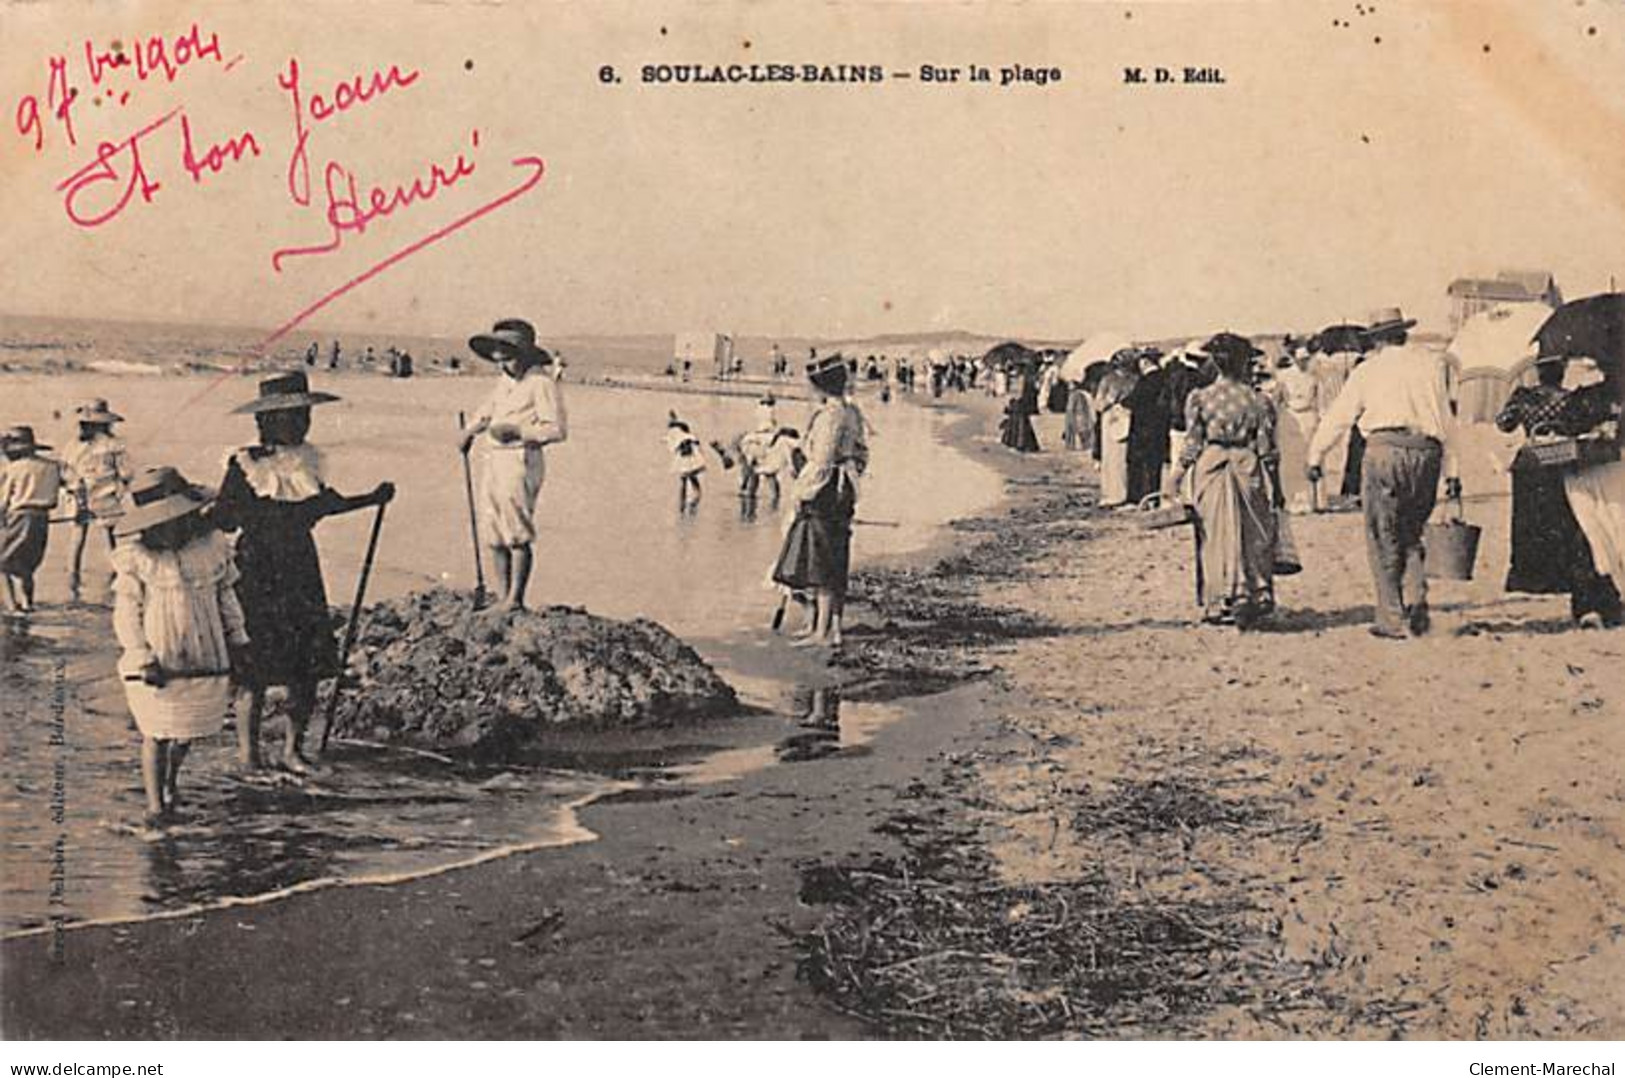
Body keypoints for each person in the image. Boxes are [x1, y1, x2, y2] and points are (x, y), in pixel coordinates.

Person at [214, 371, 395, 773]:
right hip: (256, 568)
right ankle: (249, 755)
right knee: (253, 668)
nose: (302, 422)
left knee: (304, 666)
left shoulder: (309, 461)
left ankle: (293, 751)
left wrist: (372, 498)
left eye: (304, 415)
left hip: (299, 567)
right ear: (268, 421)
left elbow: (325, 505)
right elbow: (226, 519)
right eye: (292, 416)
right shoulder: (244, 463)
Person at [1308, 308, 1461, 639]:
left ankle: (1392, 616)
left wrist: (1316, 455)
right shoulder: (1431, 365)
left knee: (1383, 534)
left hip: (1384, 451)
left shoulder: (1368, 370)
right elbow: (1446, 419)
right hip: (1426, 452)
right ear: (1403, 333)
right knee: (1412, 531)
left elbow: (1339, 416)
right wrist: (1453, 471)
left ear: (1376, 339)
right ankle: (1417, 600)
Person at [110, 467, 251, 824]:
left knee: (186, 728)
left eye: (176, 520)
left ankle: (171, 779)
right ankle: (156, 806)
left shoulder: (211, 546)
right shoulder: (137, 557)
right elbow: (127, 611)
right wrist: (141, 656)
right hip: (159, 653)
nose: (169, 530)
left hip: (205, 651)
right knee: (156, 730)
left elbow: (226, 598)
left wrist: (238, 640)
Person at [1495, 356, 1622, 627]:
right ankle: (1591, 601)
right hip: (1564, 469)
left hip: (1532, 473)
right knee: (1579, 533)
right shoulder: (1571, 400)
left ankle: (1553, 585)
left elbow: (1503, 423)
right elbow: (1584, 427)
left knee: (1541, 534)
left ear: (1537, 373)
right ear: (1561, 371)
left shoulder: (1523, 397)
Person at [1166, 334, 1280, 627]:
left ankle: (1220, 600)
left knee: (1213, 534)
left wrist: (1176, 476)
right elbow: (1267, 448)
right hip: (1247, 465)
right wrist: (1276, 486)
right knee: (1252, 529)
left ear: (1214, 362)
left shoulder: (1200, 398)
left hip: (1211, 466)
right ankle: (1254, 591)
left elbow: (1193, 442)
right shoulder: (1259, 400)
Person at [459, 320, 569, 610]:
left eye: (507, 357)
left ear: (524, 355)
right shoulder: (506, 380)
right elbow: (487, 411)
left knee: (516, 529)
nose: (502, 364)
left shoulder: (540, 383)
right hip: (494, 457)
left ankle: (516, 599)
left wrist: (518, 432)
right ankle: (503, 594)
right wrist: (469, 431)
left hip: (521, 458)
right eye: (498, 358)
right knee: (493, 530)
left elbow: (557, 429)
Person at [772, 355, 869, 646]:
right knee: (836, 554)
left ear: (820, 385)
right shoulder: (851, 411)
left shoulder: (830, 415)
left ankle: (821, 632)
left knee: (821, 557)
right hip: (843, 487)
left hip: (826, 489)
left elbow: (821, 461)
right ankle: (831, 628)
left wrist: (801, 492)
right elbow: (863, 452)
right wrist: (852, 473)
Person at [61, 398, 134, 601]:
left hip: (78, 495)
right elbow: (127, 472)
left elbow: (65, 471)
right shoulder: (114, 444)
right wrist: (123, 483)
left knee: (77, 538)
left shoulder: (73, 445)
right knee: (110, 537)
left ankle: (72, 578)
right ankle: (117, 573)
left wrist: (73, 488)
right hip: (105, 496)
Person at [1, 426, 61, 615]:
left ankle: (12, 608)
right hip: (42, 518)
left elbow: (3, 501)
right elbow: (74, 485)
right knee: (27, 564)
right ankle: (28, 604)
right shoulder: (52, 466)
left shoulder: (13, 469)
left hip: (19, 517)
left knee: (2, 564)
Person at [1270, 348, 1322, 514]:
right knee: (1290, 461)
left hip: (1309, 418)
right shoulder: (1284, 377)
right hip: (1290, 419)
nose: (1303, 363)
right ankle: (1292, 500)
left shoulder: (1314, 377)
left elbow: (1319, 400)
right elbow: (1276, 400)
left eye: (1306, 359)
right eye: (1300, 359)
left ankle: (1312, 500)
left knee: (1310, 458)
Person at [1125, 350, 1170, 503]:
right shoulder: (1165, 378)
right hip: (1160, 427)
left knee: (1138, 464)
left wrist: (1123, 403)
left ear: (1144, 362)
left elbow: (1134, 400)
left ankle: (1138, 498)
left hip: (1143, 427)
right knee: (1154, 465)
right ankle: (1154, 497)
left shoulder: (1145, 381)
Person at [1095, 350, 1139, 508]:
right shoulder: (1135, 379)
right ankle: (1121, 492)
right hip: (1126, 419)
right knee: (1121, 458)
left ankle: (1113, 493)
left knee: (1112, 458)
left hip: (1113, 419)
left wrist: (1110, 401)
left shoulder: (1108, 380)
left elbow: (1098, 405)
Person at [666, 412, 706, 511]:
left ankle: (687, 501)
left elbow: (674, 446)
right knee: (690, 480)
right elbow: (695, 443)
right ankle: (692, 500)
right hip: (689, 461)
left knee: (686, 480)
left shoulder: (683, 437)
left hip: (687, 461)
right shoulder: (688, 437)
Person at [999, 367, 1041, 453]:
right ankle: (1014, 442)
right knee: (1015, 422)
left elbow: (1020, 392)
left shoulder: (1022, 379)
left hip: (1020, 403)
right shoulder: (1015, 379)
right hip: (1016, 402)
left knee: (1021, 423)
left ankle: (1021, 443)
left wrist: (1014, 397)